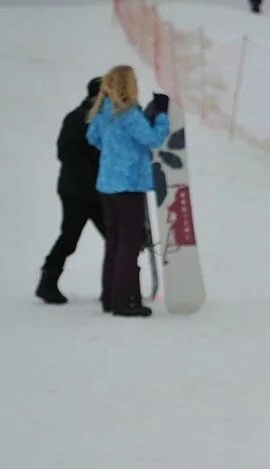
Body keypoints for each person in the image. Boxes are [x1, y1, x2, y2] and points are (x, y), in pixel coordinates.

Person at [86, 65, 169, 317]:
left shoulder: (102, 112)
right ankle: (125, 302)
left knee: (114, 242)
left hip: (107, 186)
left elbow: (93, 138)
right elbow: (153, 138)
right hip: (129, 185)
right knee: (129, 244)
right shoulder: (129, 113)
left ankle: (110, 298)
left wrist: (114, 151)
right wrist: (162, 113)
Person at [35, 77, 105, 305]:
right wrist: (94, 177)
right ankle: (48, 282)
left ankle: (114, 287)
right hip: (78, 191)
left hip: (91, 190)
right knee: (71, 236)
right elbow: (66, 154)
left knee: (114, 237)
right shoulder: (77, 119)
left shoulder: (100, 119)